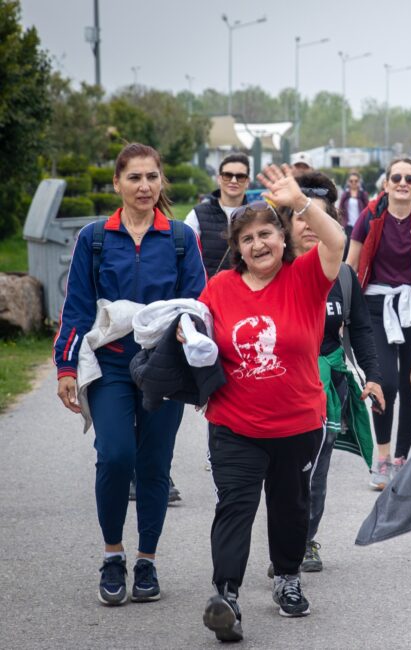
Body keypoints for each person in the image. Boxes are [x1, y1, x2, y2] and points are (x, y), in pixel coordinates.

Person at [54, 143, 206, 606]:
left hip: (164, 366)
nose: (144, 186)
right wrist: (65, 364)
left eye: (152, 177)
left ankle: (147, 562)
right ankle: (112, 555)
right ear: (117, 183)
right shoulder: (95, 238)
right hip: (112, 364)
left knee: (155, 464)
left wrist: (190, 342)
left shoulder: (180, 238)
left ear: (162, 183)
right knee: (116, 455)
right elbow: (77, 305)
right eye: (135, 177)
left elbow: (196, 302)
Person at [199, 164, 345, 641]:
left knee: (289, 505)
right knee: (235, 506)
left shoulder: (306, 277)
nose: (258, 244)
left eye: (267, 234)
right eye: (248, 239)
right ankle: (227, 597)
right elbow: (196, 341)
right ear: (236, 249)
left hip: (298, 424)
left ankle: (287, 578)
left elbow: (336, 242)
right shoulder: (219, 289)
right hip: (234, 425)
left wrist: (300, 201)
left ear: (283, 238)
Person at [289, 172, 385, 573]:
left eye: (322, 218)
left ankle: (304, 540)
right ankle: (284, 538)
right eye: (302, 219)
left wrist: (374, 376)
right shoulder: (270, 271)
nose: (312, 227)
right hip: (279, 385)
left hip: (328, 383)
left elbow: (361, 328)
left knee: (318, 469)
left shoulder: (343, 277)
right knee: (282, 474)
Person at [346, 157, 411, 489]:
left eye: (409, 178)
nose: (402, 183)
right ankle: (383, 456)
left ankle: (402, 458)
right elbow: (350, 261)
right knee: (385, 382)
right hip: (375, 306)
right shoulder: (371, 215)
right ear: (386, 183)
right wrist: (344, 307)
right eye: (396, 178)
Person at [184, 153, 250, 279]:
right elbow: (184, 255)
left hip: (246, 291)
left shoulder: (256, 215)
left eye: (240, 176)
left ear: (247, 182)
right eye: (228, 175)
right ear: (219, 179)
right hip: (207, 292)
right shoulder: (198, 214)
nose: (233, 181)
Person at [337, 171, 368, 239]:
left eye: (356, 181)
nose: (353, 183)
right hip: (348, 225)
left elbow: (368, 209)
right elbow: (340, 208)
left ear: (359, 182)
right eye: (351, 181)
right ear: (348, 182)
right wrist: (342, 222)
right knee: (348, 245)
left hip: (360, 224)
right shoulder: (345, 194)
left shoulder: (363, 194)